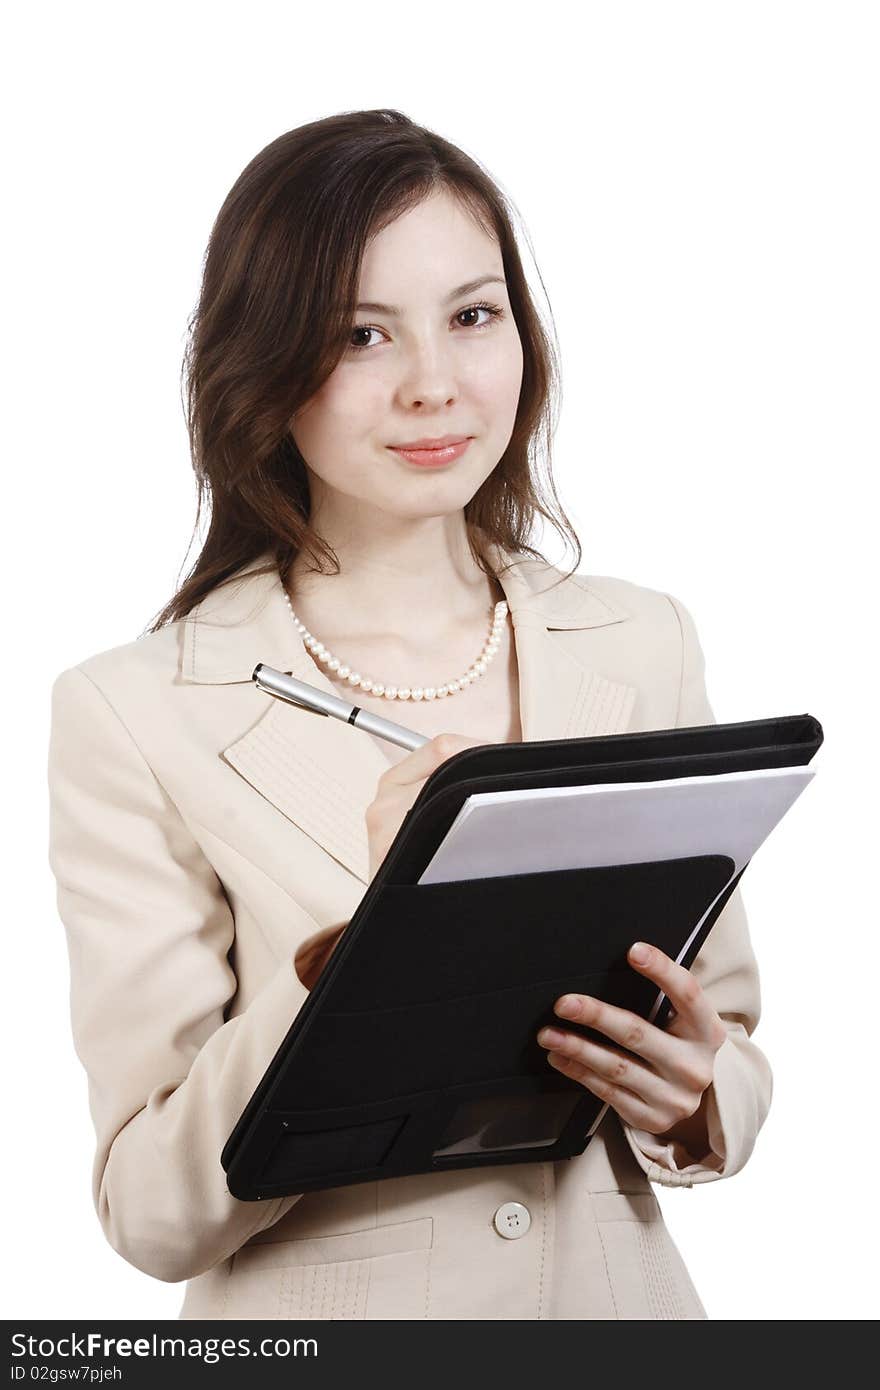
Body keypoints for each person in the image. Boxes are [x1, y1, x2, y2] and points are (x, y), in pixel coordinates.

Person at [46, 108, 772, 1321]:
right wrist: (377, 934)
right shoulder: (135, 712)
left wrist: (697, 1091)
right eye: (361, 333)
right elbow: (148, 1209)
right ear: (264, 364)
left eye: (472, 315)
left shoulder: (643, 643)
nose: (435, 382)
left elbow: (730, 1042)